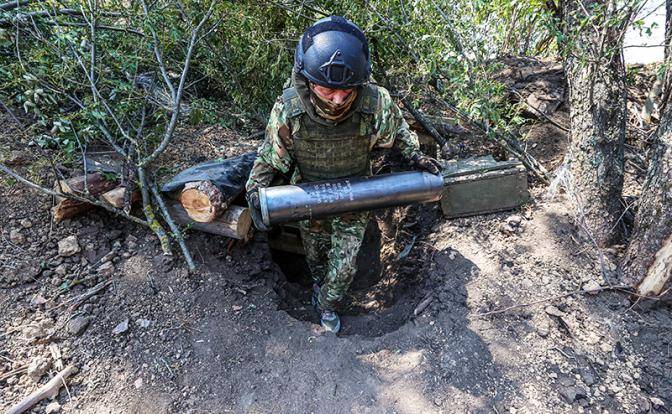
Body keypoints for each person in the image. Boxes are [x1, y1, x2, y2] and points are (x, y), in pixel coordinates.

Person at [245, 16, 441, 333]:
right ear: (308, 81)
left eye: (346, 91)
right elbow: (270, 156)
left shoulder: (375, 103)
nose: (337, 99)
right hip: (307, 198)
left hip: (355, 194)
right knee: (317, 257)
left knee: (345, 263)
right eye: (327, 90)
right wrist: (255, 192)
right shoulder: (289, 110)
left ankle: (328, 305)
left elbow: (399, 131)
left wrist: (416, 156)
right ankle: (319, 290)